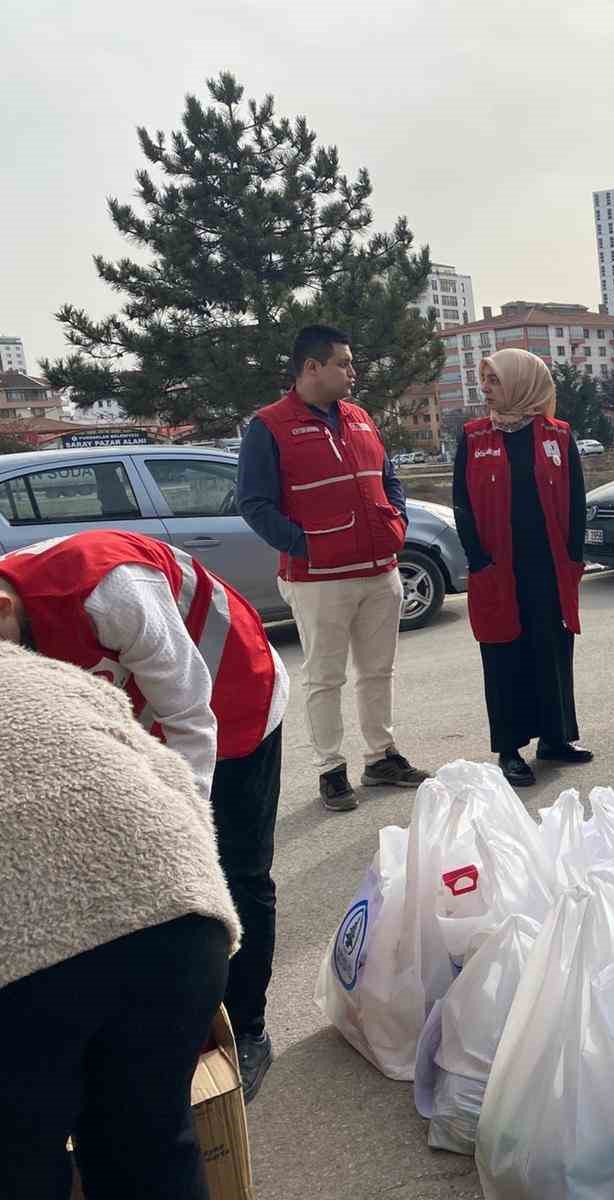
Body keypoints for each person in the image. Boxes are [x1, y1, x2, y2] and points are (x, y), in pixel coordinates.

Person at [0, 528, 287, 1102]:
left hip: (226, 703)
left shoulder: (108, 589)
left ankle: (247, 1028)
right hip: (133, 716)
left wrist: (182, 829)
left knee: (231, 871)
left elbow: (191, 718)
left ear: (4, 609)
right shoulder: (16, 620)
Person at [0, 641, 241, 1200]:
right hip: (174, 919)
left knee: (19, 1167)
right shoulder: (48, 673)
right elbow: (174, 782)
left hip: (22, 959)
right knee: (151, 1143)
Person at [239, 324, 430, 810]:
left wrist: (397, 523)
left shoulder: (360, 418)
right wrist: (307, 546)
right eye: (343, 363)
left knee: (378, 670)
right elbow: (254, 504)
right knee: (325, 677)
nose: (352, 372)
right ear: (311, 368)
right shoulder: (268, 426)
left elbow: (388, 478)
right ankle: (330, 768)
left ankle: (381, 755)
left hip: (379, 569)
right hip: (318, 578)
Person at [453, 348, 590, 788]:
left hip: (548, 566)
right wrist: (478, 558)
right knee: (503, 654)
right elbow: (462, 504)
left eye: (493, 380)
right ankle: (510, 749)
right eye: (486, 380)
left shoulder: (558, 434)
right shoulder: (473, 437)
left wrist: (572, 555)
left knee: (551, 649)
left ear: (520, 382)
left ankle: (555, 738)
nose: (485, 389)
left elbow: (576, 498)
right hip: (497, 567)